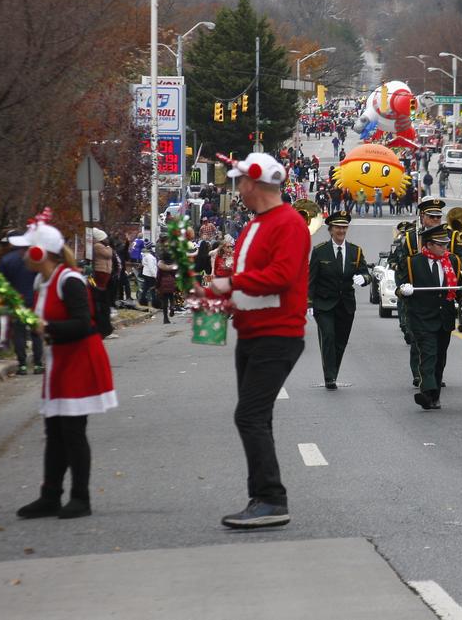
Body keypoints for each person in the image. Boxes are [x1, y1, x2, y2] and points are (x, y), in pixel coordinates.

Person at [194, 152, 310, 529]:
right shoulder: (255, 224)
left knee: (249, 415)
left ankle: (271, 499)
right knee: (257, 417)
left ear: (254, 183)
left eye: (240, 181)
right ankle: (263, 497)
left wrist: (231, 284)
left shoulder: (288, 223)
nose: (237, 188)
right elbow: (255, 281)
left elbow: (282, 275)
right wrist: (217, 301)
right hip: (254, 332)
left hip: (277, 335)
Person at [9, 217, 117, 520]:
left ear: (40, 252)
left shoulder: (70, 280)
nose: (21, 255)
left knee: (72, 431)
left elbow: (84, 323)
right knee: (54, 430)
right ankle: (50, 495)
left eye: (26, 249)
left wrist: (48, 327)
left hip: (79, 359)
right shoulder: (41, 281)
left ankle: (80, 497)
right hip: (61, 360)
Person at [395, 224, 462, 410]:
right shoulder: (412, 262)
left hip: (444, 317)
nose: (444, 247)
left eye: (445, 243)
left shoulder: (452, 261)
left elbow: (459, 286)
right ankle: (426, 392)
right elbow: (399, 286)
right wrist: (404, 290)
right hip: (421, 317)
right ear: (428, 244)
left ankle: (434, 396)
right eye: (440, 244)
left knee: (440, 358)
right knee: (428, 354)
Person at [308, 211, 371, 390]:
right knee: (328, 336)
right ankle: (329, 377)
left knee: (340, 341)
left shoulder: (355, 251)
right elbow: (311, 279)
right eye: (338, 227)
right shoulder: (320, 250)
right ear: (330, 230)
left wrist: (364, 279)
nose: (341, 230)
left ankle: (333, 372)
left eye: (344, 227)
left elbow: (366, 273)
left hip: (346, 304)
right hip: (324, 303)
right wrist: (309, 303)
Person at [0, 230, 43, 375]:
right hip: (34, 300)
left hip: (16, 301)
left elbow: (2, 284)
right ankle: (38, 364)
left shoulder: (6, 260)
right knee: (36, 333)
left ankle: (22, 365)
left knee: (19, 333)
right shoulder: (33, 257)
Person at [90, 228, 114, 338]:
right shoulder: (98, 246)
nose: (107, 240)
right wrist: (109, 248)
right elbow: (109, 254)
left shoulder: (101, 246)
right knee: (101, 293)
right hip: (101, 271)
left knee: (103, 293)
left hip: (105, 271)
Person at [156, 251, 178, 325]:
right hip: (171, 282)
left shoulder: (161, 265)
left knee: (164, 301)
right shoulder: (173, 265)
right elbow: (175, 274)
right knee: (171, 297)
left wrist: (157, 285)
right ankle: (172, 306)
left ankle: (165, 318)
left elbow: (158, 276)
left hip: (163, 283)